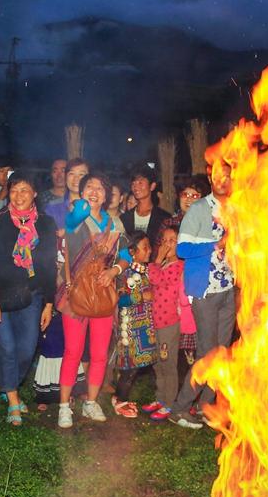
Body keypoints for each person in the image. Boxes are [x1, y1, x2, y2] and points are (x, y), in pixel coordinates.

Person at [0, 175, 58, 425]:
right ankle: (13, 400)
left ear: (34, 193)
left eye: (25, 190)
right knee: (7, 347)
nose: (19, 195)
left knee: (27, 348)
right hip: (1, 297)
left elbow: (49, 266)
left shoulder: (46, 224)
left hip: (32, 296)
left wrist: (49, 302)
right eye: (14, 190)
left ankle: (8, 385)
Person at [55, 173, 128, 429]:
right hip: (75, 294)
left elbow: (126, 254)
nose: (94, 191)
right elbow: (77, 214)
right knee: (72, 351)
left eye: (99, 188)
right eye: (89, 187)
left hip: (103, 293)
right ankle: (64, 406)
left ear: (107, 195)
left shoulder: (115, 223)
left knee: (99, 353)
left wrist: (114, 271)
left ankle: (91, 401)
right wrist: (81, 199)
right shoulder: (76, 217)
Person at [170, 159, 236, 429]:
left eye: (228, 176)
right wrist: (217, 244)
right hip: (205, 291)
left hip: (228, 289)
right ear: (211, 180)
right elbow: (182, 249)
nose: (223, 180)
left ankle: (206, 407)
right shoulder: (199, 209)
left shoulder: (235, 209)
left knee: (221, 353)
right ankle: (180, 407)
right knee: (207, 354)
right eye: (218, 175)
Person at [111, 232, 157, 418]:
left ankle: (160, 399)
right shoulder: (126, 273)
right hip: (131, 330)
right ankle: (119, 399)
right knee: (130, 369)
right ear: (132, 252)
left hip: (146, 327)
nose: (150, 250)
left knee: (139, 367)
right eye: (145, 247)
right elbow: (119, 300)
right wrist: (141, 296)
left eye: (149, 246)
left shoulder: (146, 270)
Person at [146, 226, 185, 420]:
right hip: (157, 322)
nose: (167, 244)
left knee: (168, 363)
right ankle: (160, 398)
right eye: (165, 240)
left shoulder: (178, 266)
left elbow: (155, 279)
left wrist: (157, 259)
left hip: (169, 323)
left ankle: (169, 402)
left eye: (173, 240)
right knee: (158, 363)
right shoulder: (164, 266)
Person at [120, 165, 169, 247]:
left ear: (152, 186)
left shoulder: (164, 218)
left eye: (140, 182)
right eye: (133, 183)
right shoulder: (125, 218)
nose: (136, 187)